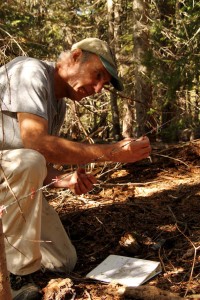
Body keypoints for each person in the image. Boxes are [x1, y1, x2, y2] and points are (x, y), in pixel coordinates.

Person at [0, 37, 151, 299]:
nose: (99, 87)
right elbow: (35, 145)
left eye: (104, 83)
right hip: (7, 186)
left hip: (8, 187)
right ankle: (15, 280)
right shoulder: (30, 71)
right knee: (30, 161)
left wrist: (64, 180)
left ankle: (13, 255)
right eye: (98, 75)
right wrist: (112, 152)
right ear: (75, 56)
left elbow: (36, 165)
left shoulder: (57, 105)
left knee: (62, 261)